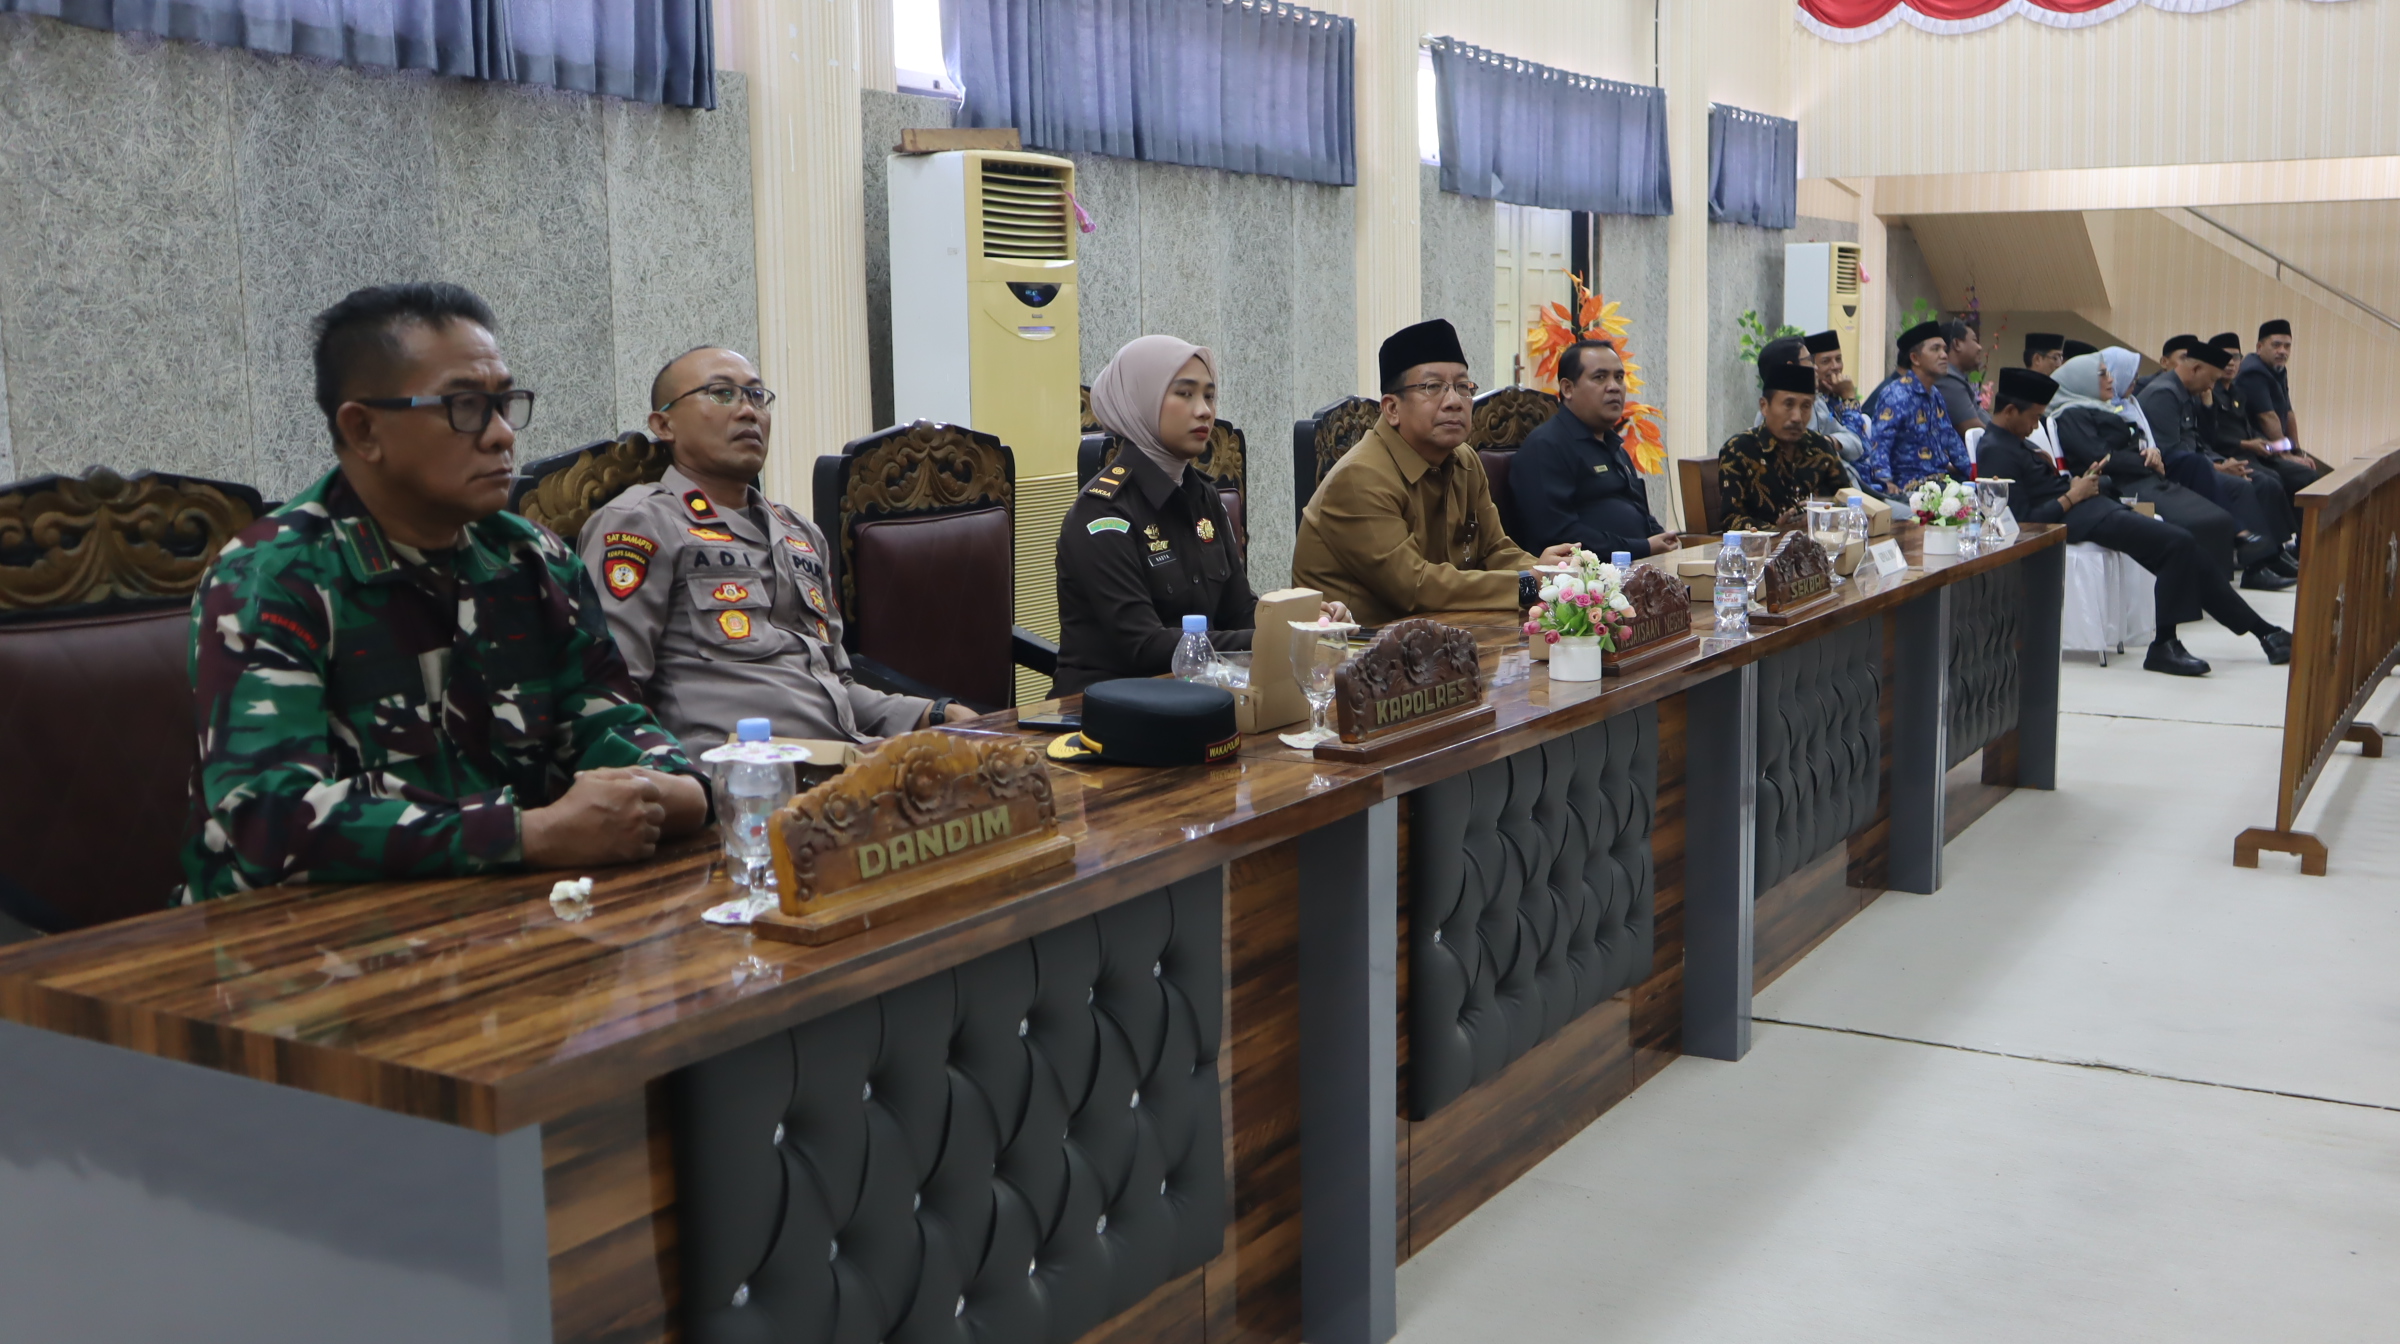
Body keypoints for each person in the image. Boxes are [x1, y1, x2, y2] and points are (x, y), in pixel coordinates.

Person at [179, 284, 710, 904]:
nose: (502, 435)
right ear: (363, 429)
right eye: (465, 407)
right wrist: (528, 835)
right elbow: (270, 822)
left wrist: (680, 788)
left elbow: (611, 724)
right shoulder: (273, 579)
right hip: (299, 935)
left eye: (505, 403)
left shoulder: (531, 560)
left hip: (507, 915)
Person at [584, 347, 980, 756]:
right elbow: (613, 692)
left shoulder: (798, 532)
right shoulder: (640, 522)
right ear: (664, 424)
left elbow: (835, 685)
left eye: (757, 396)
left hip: (847, 760)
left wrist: (930, 713)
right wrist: (673, 781)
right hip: (737, 773)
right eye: (722, 393)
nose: (748, 411)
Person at [1052, 336, 1344, 695]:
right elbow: (1144, 646)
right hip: (1105, 706)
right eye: (1185, 394)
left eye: (1209, 395)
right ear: (1140, 401)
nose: (1204, 410)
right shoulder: (1103, 513)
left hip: (1198, 694)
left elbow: (1239, 610)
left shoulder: (1203, 495)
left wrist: (1304, 621)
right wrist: (1277, 637)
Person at [1978, 367, 2289, 675]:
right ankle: (2165, 645)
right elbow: (2022, 522)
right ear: (2010, 411)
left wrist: (2080, 484)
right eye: (2033, 418)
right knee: (2177, 543)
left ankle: (2266, 633)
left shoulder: (2014, 442)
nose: (2035, 427)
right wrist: (2073, 495)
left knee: (2188, 551)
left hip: (2090, 509)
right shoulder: (1996, 450)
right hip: (2076, 518)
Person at [1291, 319, 1575, 625]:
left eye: (1463, 387)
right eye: (1432, 387)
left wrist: (1552, 574)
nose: (1454, 402)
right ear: (1392, 409)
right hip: (1356, 643)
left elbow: (1494, 550)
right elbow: (1414, 586)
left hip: (1441, 633)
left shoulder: (1465, 459)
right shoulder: (1360, 477)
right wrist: (1526, 584)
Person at [2050, 350, 2243, 586]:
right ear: (2082, 379)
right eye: (2102, 374)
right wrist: (2143, 460)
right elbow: (2099, 457)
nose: (2110, 380)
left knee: (2220, 518)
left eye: (2109, 373)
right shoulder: (2070, 415)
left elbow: (2133, 443)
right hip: (2120, 486)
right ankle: (2190, 590)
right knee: (2196, 524)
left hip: (2145, 478)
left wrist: (2152, 453)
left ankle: (2211, 589)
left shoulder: (2108, 408)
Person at [2137, 339, 2291, 589]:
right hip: (2172, 473)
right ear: (2196, 369)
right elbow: (2169, 454)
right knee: (2239, 486)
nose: (2211, 386)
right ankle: (2253, 558)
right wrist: (2216, 467)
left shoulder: (2185, 392)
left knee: (2249, 481)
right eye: (2211, 379)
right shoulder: (2164, 394)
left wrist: (2218, 459)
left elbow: (2200, 440)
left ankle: (2264, 559)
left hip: (2196, 463)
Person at [1512, 339, 1678, 557]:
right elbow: (1559, 534)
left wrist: (1665, 541)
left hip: (1640, 566)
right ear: (1568, 388)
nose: (1614, 387)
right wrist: (1642, 548)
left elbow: (1641, 514)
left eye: (1619, 377)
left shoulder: (1615, 447)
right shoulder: (1546, 446)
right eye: (1600, 377)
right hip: (1581, 575)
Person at [1718, 361, 1852, 532]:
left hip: (1821, 542)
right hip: (1765, 546)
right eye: (1788, 404)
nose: (1797, 417)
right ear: (1764, 406)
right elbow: (1730, 519)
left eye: (1805, 406)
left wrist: (1826, 507)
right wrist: (1776, 531)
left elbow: (1850, 500)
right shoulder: (1739, 449)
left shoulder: (1820, 447)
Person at [1861, 321, 1970, 497]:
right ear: (1915, 358)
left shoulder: (1935, 394)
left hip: (1942, 483)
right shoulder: (1896, 394)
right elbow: (1880, 444)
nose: (1944, 355)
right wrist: (1886, 482)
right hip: (1910, 487)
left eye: (1944, 349)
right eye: (1935, 349)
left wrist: (1974, 474)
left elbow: (1951, 439)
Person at [2234, 319, 2330, 485]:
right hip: (2258, 449)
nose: (2282, 351)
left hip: (2274, 447)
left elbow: (2288, 413)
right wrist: (2285, 454)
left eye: (2287, 346)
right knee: (2309, 477)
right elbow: (2267, 417)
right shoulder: (2253, 371)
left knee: (2326, 475)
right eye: (2276, 345)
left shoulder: (2278, 369)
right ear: (2259, 347)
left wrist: (2297, 451)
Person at [1804, 330, 1872, 469]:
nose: (1835, 367)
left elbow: (1864, 449)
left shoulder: (1835, 398)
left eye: (1838, 359)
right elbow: (1859, 451)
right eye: (1826, 361)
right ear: (1812, 366)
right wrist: (1849, 399)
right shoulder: (1810, 404)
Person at [1932, 317, 1988, 431]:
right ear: (1957, 344)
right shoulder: (1947, 379)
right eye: (1974, 340)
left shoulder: (1957, 377)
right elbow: (1973, 428)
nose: (1980, 347)